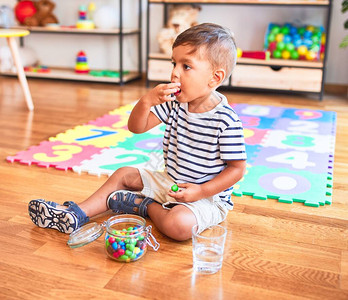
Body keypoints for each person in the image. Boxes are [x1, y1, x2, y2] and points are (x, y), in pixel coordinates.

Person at [28, 23, 247, 241]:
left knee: (179, 225)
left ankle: (146, 206)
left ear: (215, 78)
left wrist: (201, 192)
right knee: (124, 174)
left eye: (186, 67)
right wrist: (146, 101)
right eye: (174, 64)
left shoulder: (226, 120)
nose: (174, 73)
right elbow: (136, 127)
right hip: (170, 182)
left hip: (207, 198)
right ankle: (76, 213)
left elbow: (237, 169)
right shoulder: (175, 103)